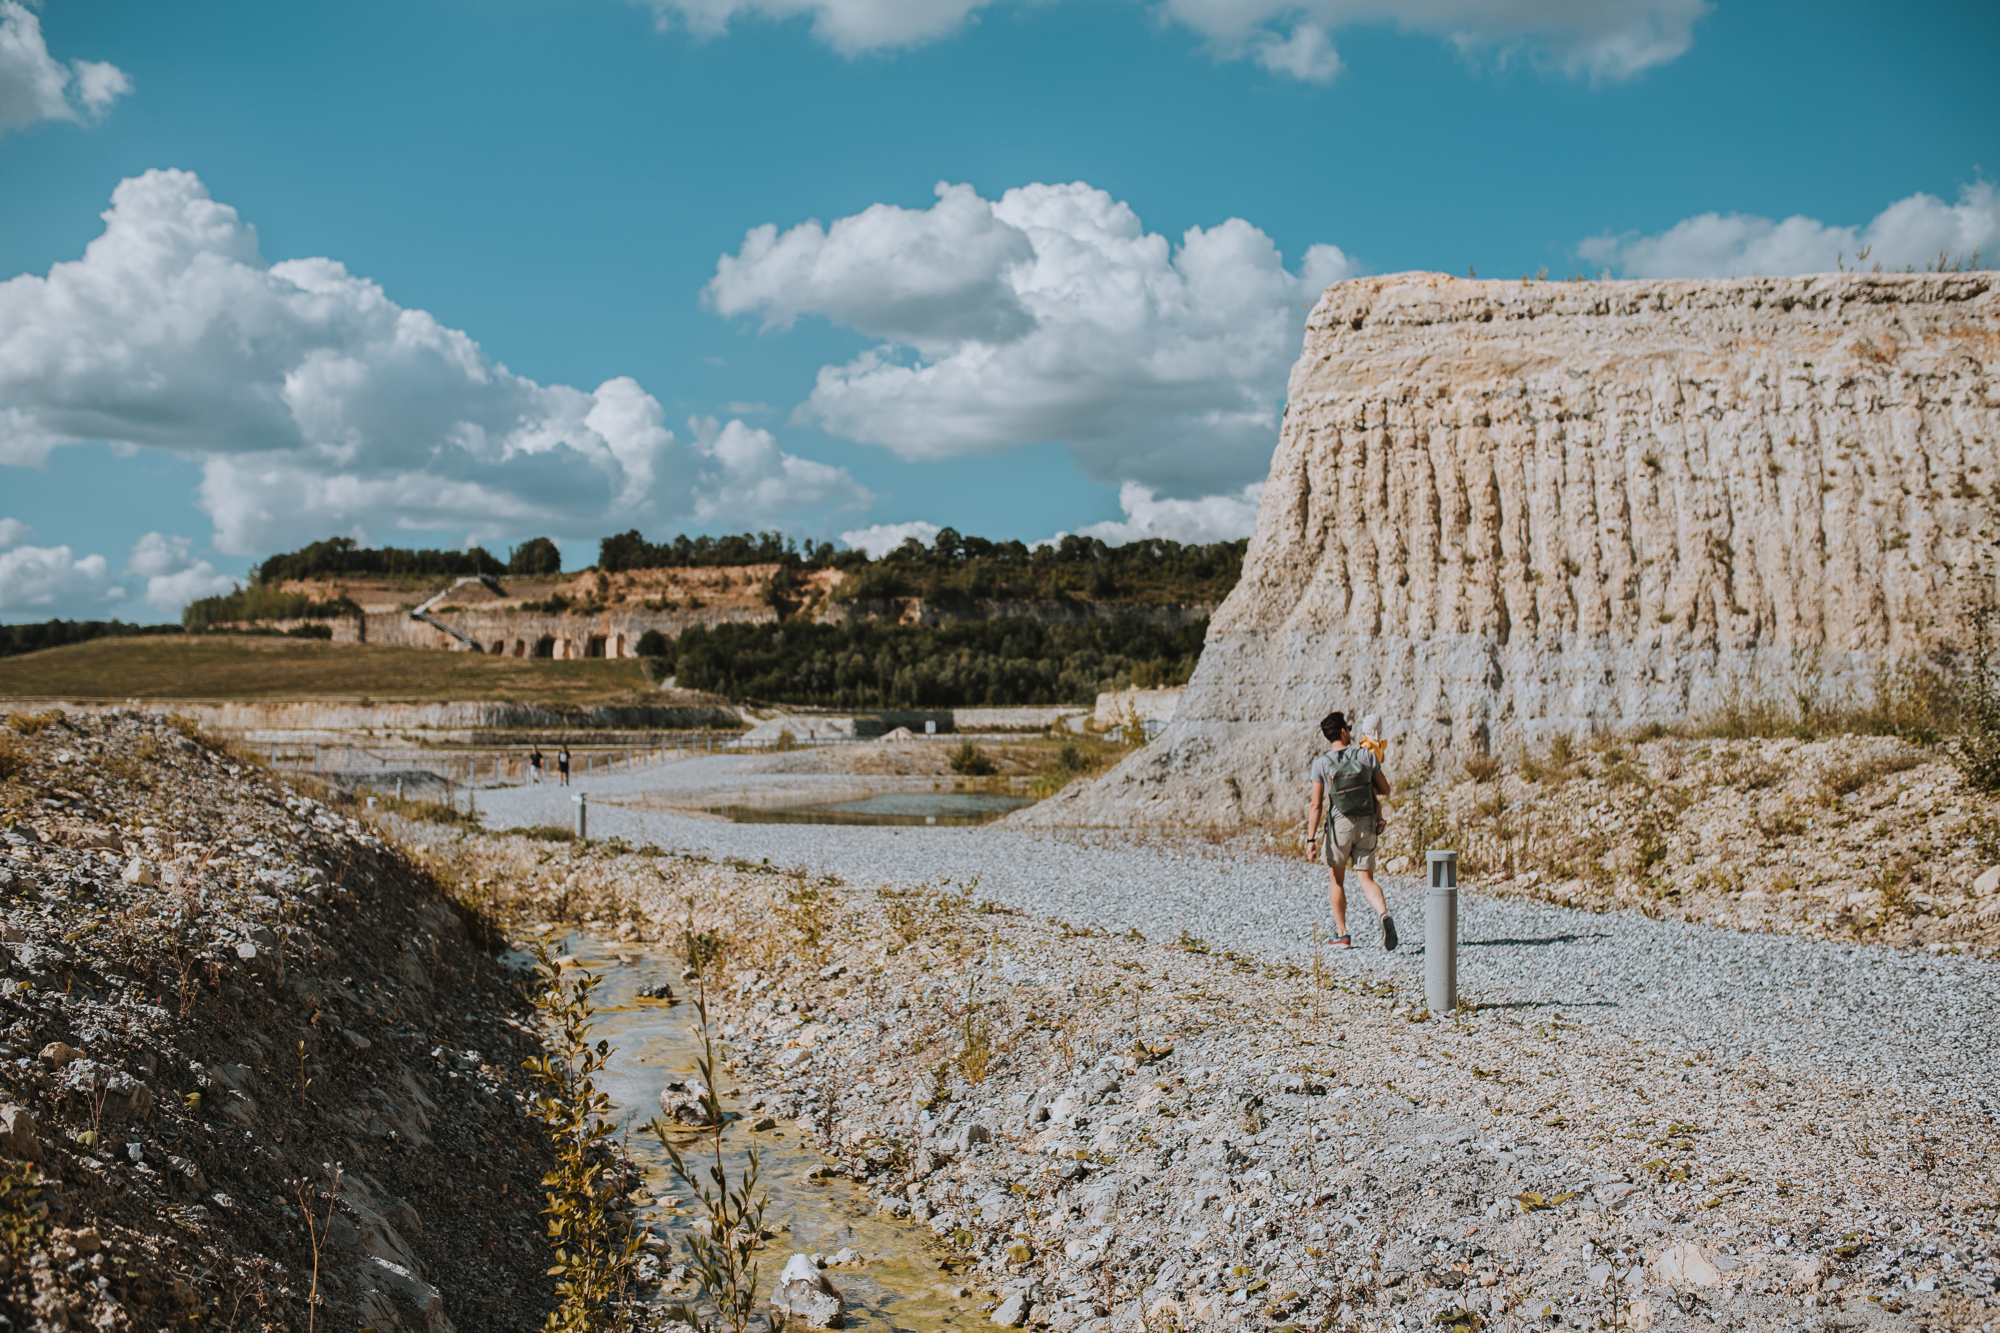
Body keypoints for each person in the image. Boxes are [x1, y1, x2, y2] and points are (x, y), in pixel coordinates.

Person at [1305, 710, 1397, 951]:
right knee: (1366, 879)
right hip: (1367, 823)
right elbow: (1385, 789)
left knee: (1337, 880)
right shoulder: (1366, 756)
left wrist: (1311, 839)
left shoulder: (1321, 763)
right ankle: (1383, 914)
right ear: (1344, 731)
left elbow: (1316, 804)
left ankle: (1343, 934)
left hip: (1339, 827)